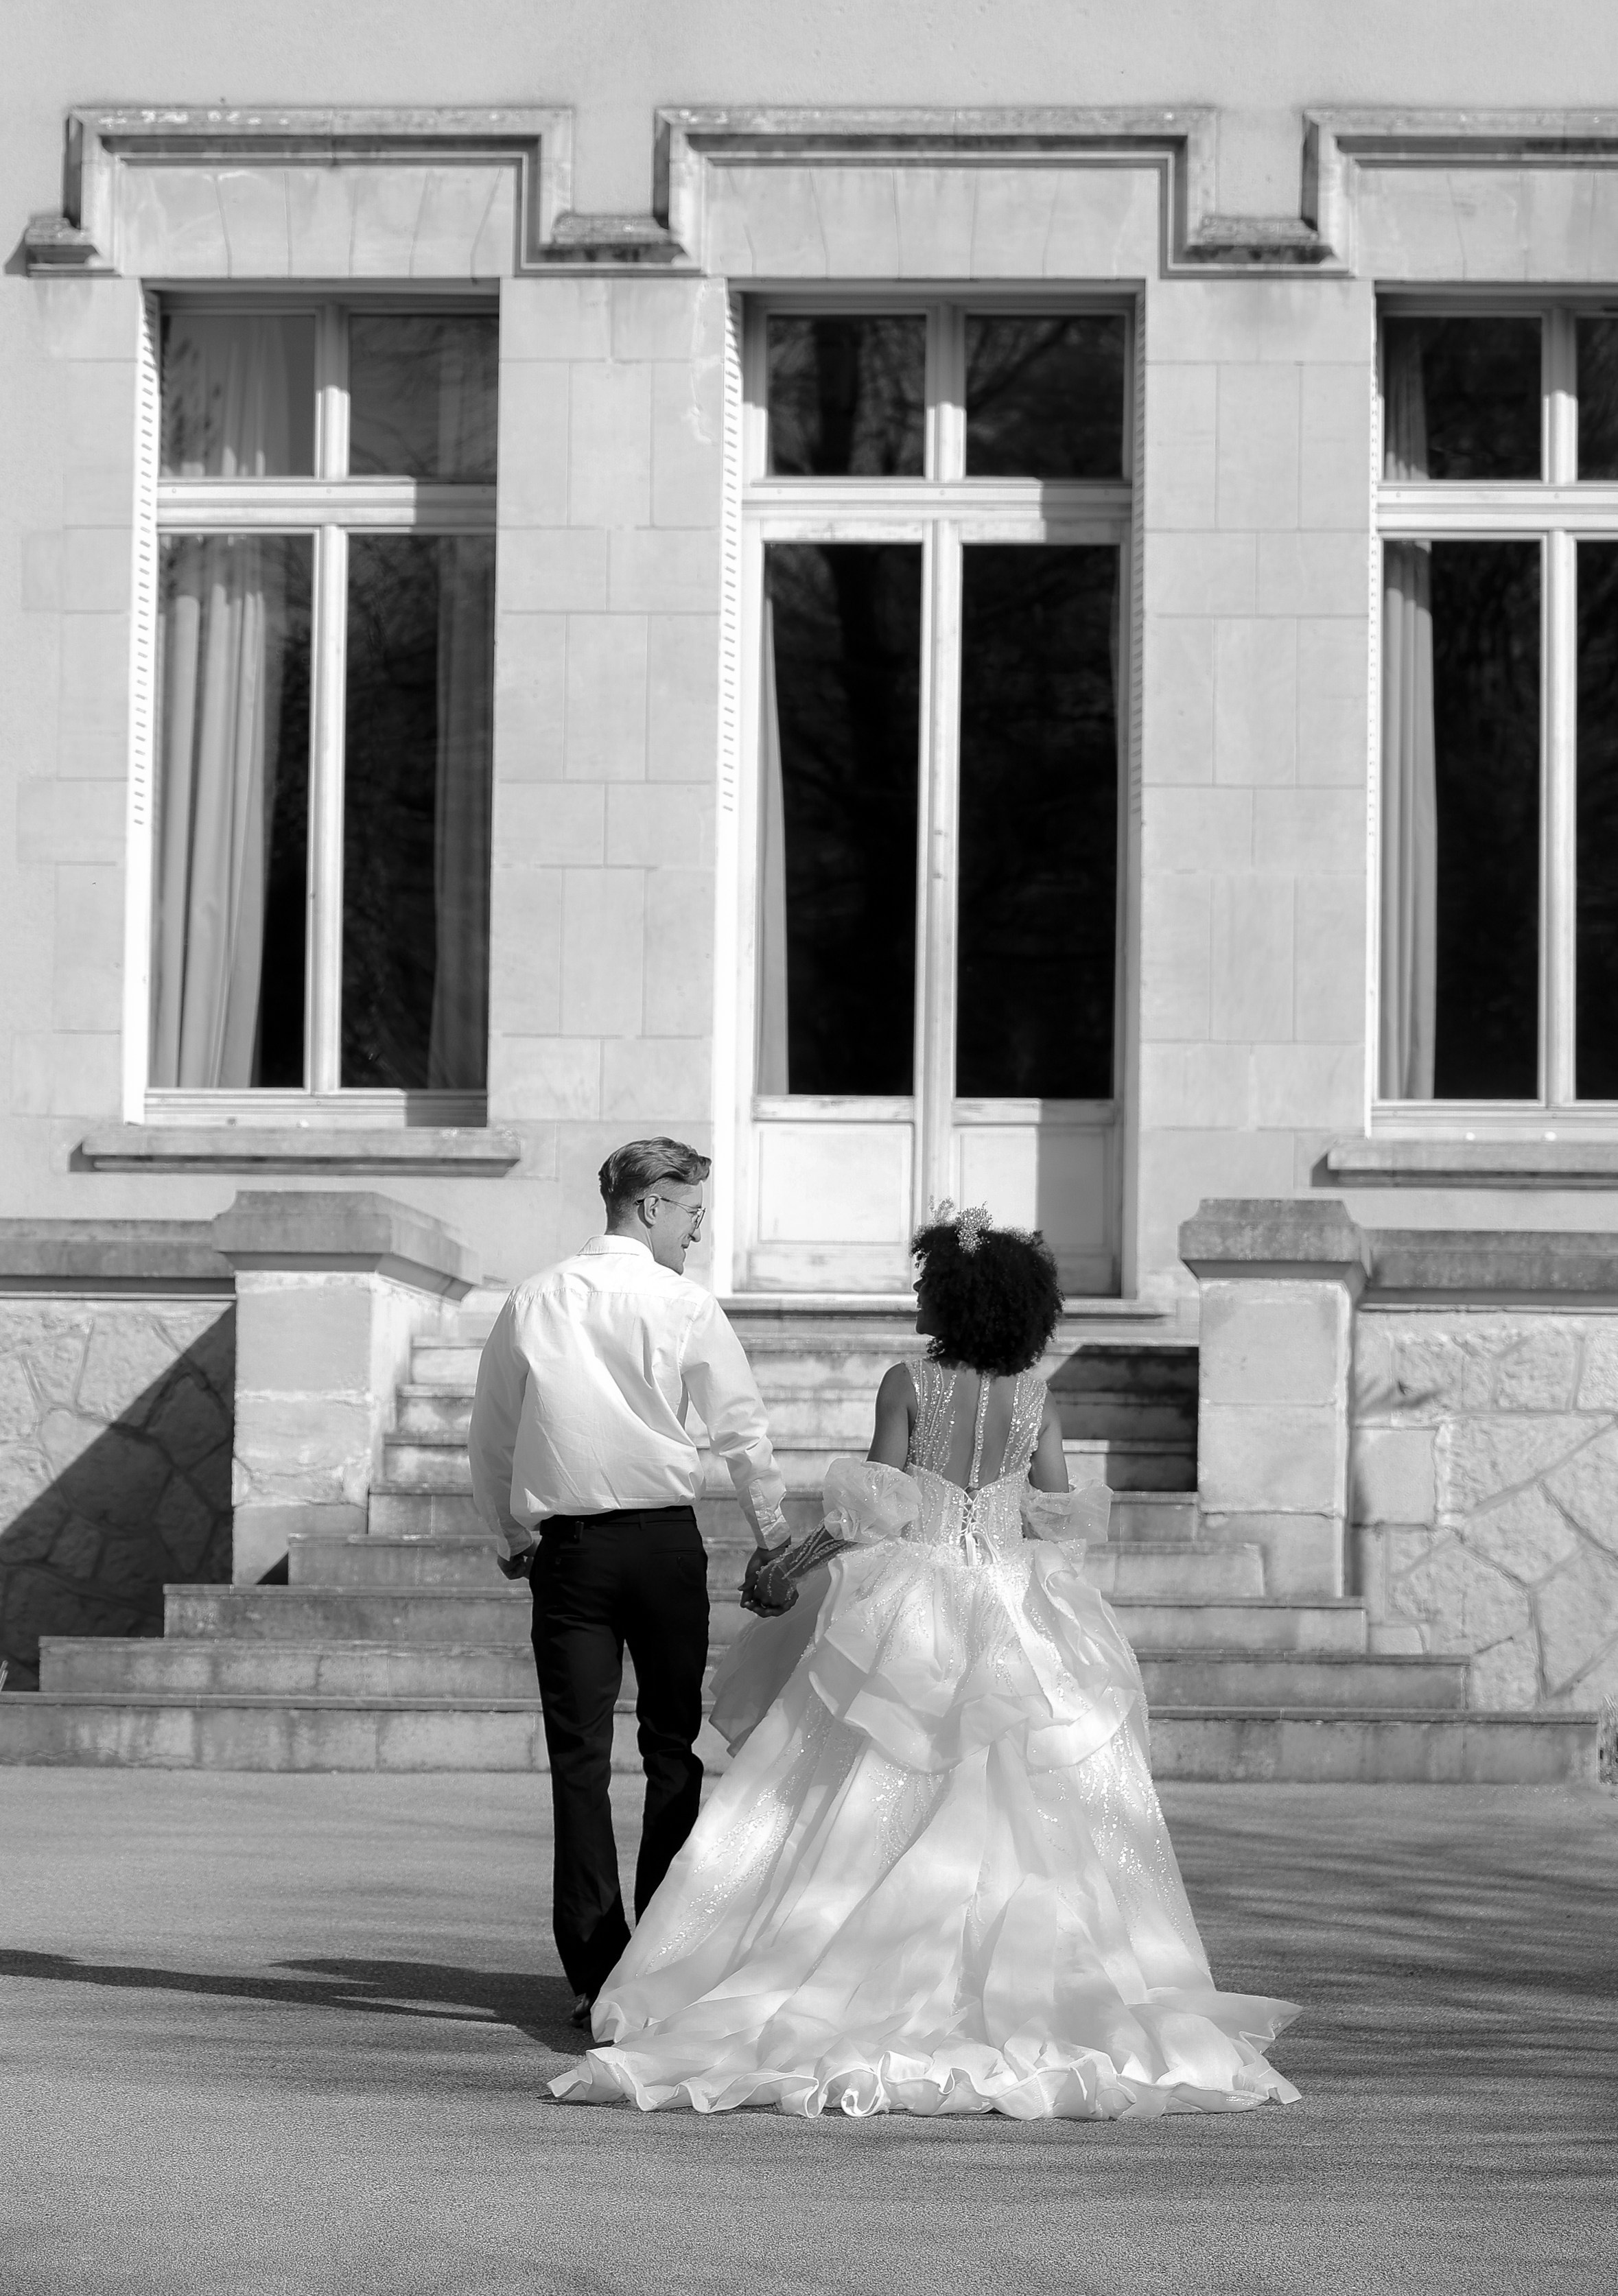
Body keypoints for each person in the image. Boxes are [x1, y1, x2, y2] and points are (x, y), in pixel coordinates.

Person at [552, 1204, 1301, 2119]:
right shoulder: (1036, 1399)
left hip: (916, 1600)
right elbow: (1060, 1513)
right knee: (1038, 1797)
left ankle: (815, 1967)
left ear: (944, 1295)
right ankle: (1015, 1979)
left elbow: (871, 1508)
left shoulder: (908, 1380)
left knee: (852, 1790)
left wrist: (784, 1566)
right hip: (1013, 1600)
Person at [467, 1138, 790, 2028]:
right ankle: (664, 1958)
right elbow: (743, 1434)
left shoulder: (532, 1299)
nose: (698, 1233)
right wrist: (777, 1542)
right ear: (650, 1205)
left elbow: (491, 1433)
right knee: (669, 1747)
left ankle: (594, 1970)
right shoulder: (683, 1304)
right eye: (691, 1213)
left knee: (577, 1762)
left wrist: (505, 1531)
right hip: (662, 1548)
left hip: (567, 1554)